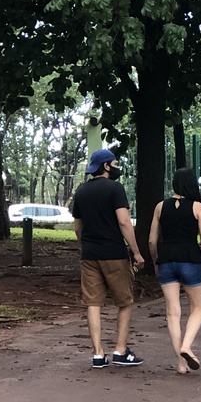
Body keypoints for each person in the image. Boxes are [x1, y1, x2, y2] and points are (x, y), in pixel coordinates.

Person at [72, 148, 146, 369]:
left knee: (93, 303)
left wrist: (85, 245)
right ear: (105, 166)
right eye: (114, 164)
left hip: (89, 255)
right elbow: (124, 222)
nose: (116, 168)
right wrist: (136, 252)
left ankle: (98, 354)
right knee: (125, 302)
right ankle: (121, 350)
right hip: (114, 253)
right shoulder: (115, 189)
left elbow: (78, 226)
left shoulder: (81, 191)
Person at [148, 168, 201, 374]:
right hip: (190, 260)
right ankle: (187, 346)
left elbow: (152, 240)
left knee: (173, 313)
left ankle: (181, 364)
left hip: (167, 260)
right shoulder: (197, 207)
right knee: (197, 308)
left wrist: (156, 262)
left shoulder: (160, 207)